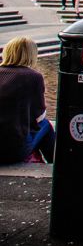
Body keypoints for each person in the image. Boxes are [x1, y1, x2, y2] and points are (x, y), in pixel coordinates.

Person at [0, 36, 55, 164]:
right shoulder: (33, 77)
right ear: (31, 55)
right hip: (12, 151)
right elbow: (39, 116)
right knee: (46, 125)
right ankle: (56, 165)